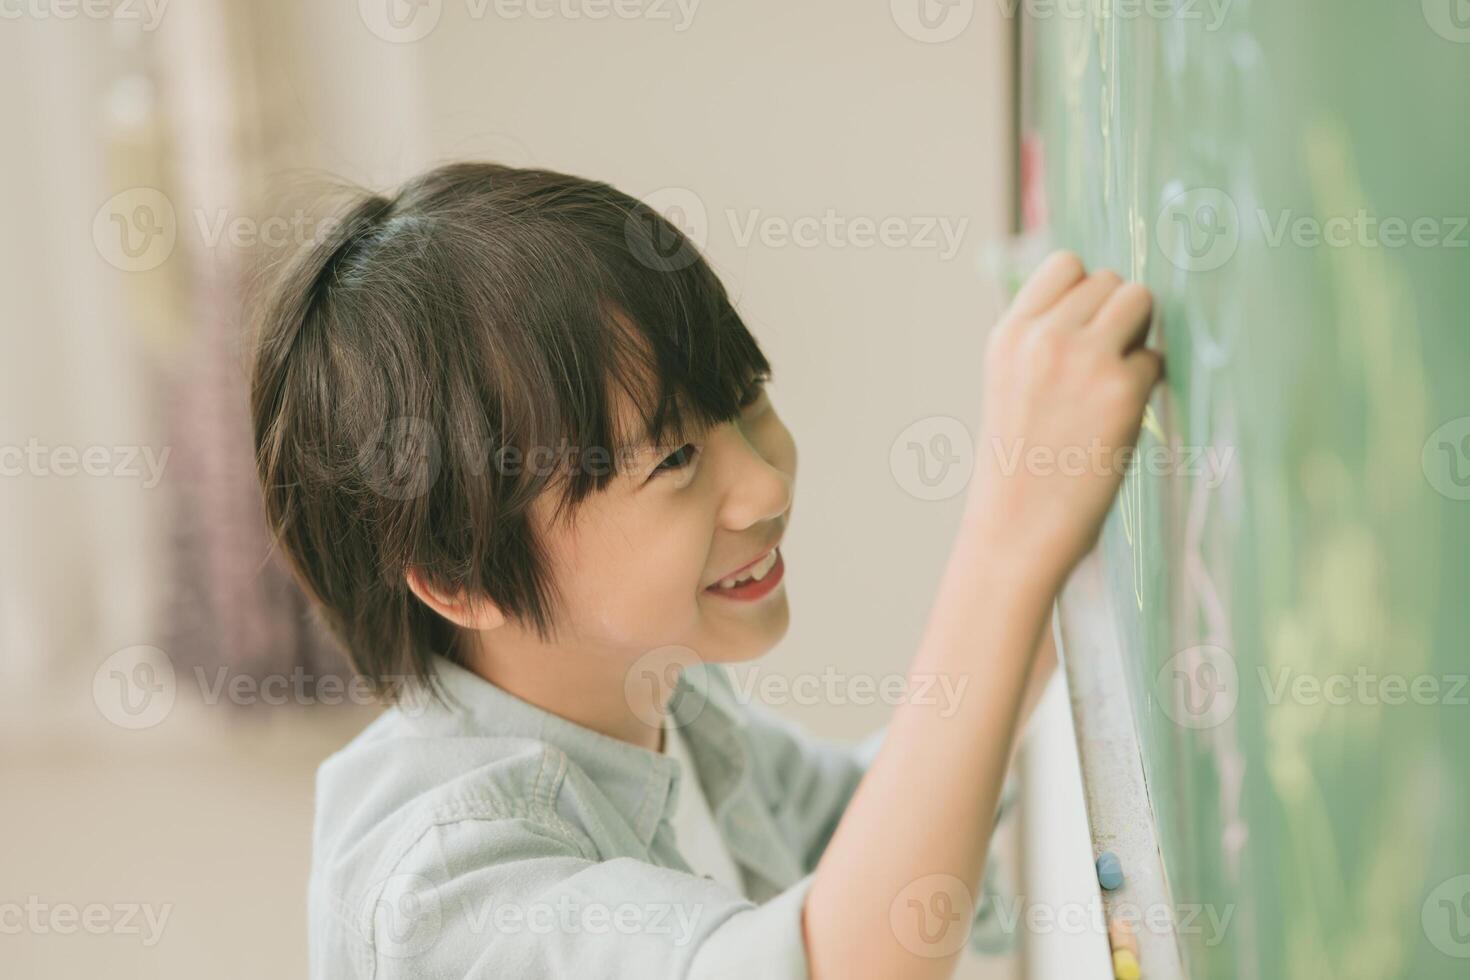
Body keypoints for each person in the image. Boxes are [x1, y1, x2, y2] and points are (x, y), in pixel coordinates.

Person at [249, 161, 1161, 979]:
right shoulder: (445, 890)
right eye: (675, 461)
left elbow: (861, 831)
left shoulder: (662, 697)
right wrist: (1008, 541)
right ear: (462, 578)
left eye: (746, 400)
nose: (763, 483)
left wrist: (1064, 556)